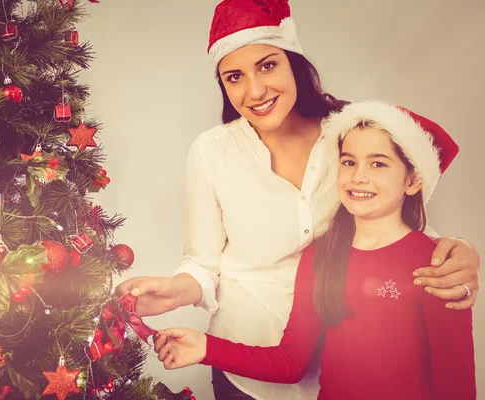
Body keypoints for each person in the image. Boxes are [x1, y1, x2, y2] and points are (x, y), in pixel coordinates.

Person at [115, 0, 481, 398]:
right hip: (248, 362)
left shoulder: (349, 135)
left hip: (345, 370)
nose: (255, 91)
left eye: (268, 65)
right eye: (234, 76)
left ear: (295, 62)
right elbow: (203, 262)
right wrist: (177, 289)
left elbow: (392, 221)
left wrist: (457, 251)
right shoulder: (211, 151)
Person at [152, 101, 476, 399]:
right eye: (349, 161)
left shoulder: (437, 267)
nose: (358, 176)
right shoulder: (322, 255)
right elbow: (291, 362)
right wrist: (205, 347)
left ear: (413, 179)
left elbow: (456, 386)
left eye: (378, 164)